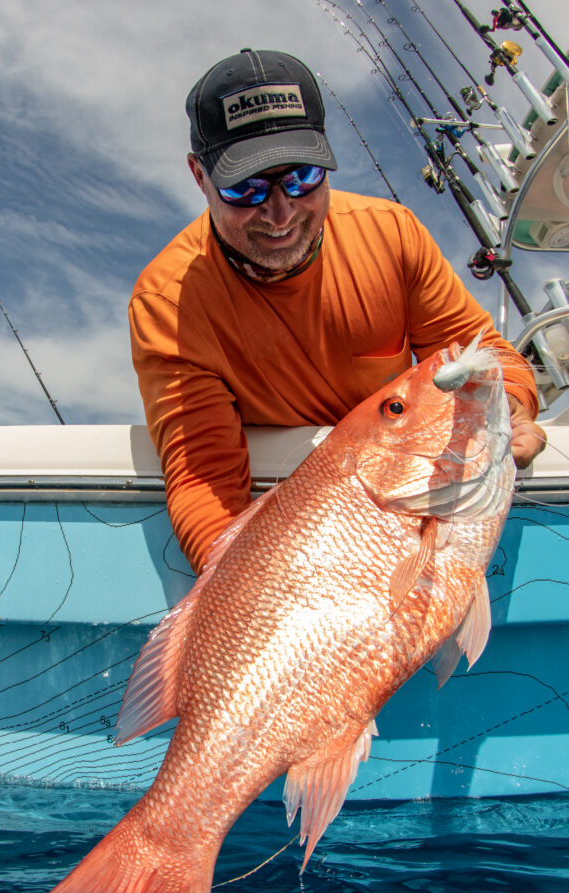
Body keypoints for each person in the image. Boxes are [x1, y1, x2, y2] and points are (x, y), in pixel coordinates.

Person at [129, 48, 546, 576]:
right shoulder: (168, 303)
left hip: (406, 506)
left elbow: (487, 358)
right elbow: (204, 481)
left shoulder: (392, 234)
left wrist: (512, 405)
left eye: (302, 177)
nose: (279, 213)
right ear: (198, 176)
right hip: (296, 542)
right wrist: (258, 605)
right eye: (245, 188)